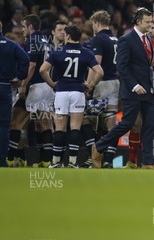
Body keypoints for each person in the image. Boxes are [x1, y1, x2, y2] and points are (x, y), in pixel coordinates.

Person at [92, 7, 154, 169]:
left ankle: (148, 162)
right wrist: (135, 85)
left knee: (150, 125)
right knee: (127, 123)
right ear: (139, 21)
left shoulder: (147, 39)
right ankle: (99, 147)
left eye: (151, 22)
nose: (151, 25)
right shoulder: (126, 39)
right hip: (132, 90)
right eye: (148, 22)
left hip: (149, 90)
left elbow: (147, 65)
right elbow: (121, 66)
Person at [40, 26, 104, 168]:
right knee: (75, 127)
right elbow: (100, 72)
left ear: (68, 36)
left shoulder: (58, 51)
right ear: (79, 37)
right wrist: (91, 85)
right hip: (78, 92)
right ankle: (73, 162)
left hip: (62, 92)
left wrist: (52, 84)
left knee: (60, 128)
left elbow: (42, 69)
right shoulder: (86, 53)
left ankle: (56, 162)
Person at [19, 14, 53, 168]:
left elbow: (32, 65)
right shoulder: (46, 40)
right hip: (47, 86)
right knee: (43, 123)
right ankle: (46, 160)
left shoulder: (32, 40)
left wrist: (23, 84)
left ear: (30, 26)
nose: (22, 30)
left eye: (23, 26)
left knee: (22, 122)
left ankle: (19, 157)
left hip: (36, 86)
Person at [87, 10, 119, 168]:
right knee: (111, 121)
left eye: (92, 24)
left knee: (92, 119)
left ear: (97, 23)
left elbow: (96, 65)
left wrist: (90, 84)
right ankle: (110, 160)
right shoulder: (115, 39)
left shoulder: (98, 39)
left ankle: (94, 156)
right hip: (115, 82)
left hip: (103, 82)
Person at [0, 21, 29, 167]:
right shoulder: (11, 45)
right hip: (5, 86)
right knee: (4, 125)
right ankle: (1, 160)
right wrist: (19, 76)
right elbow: (25, 59)